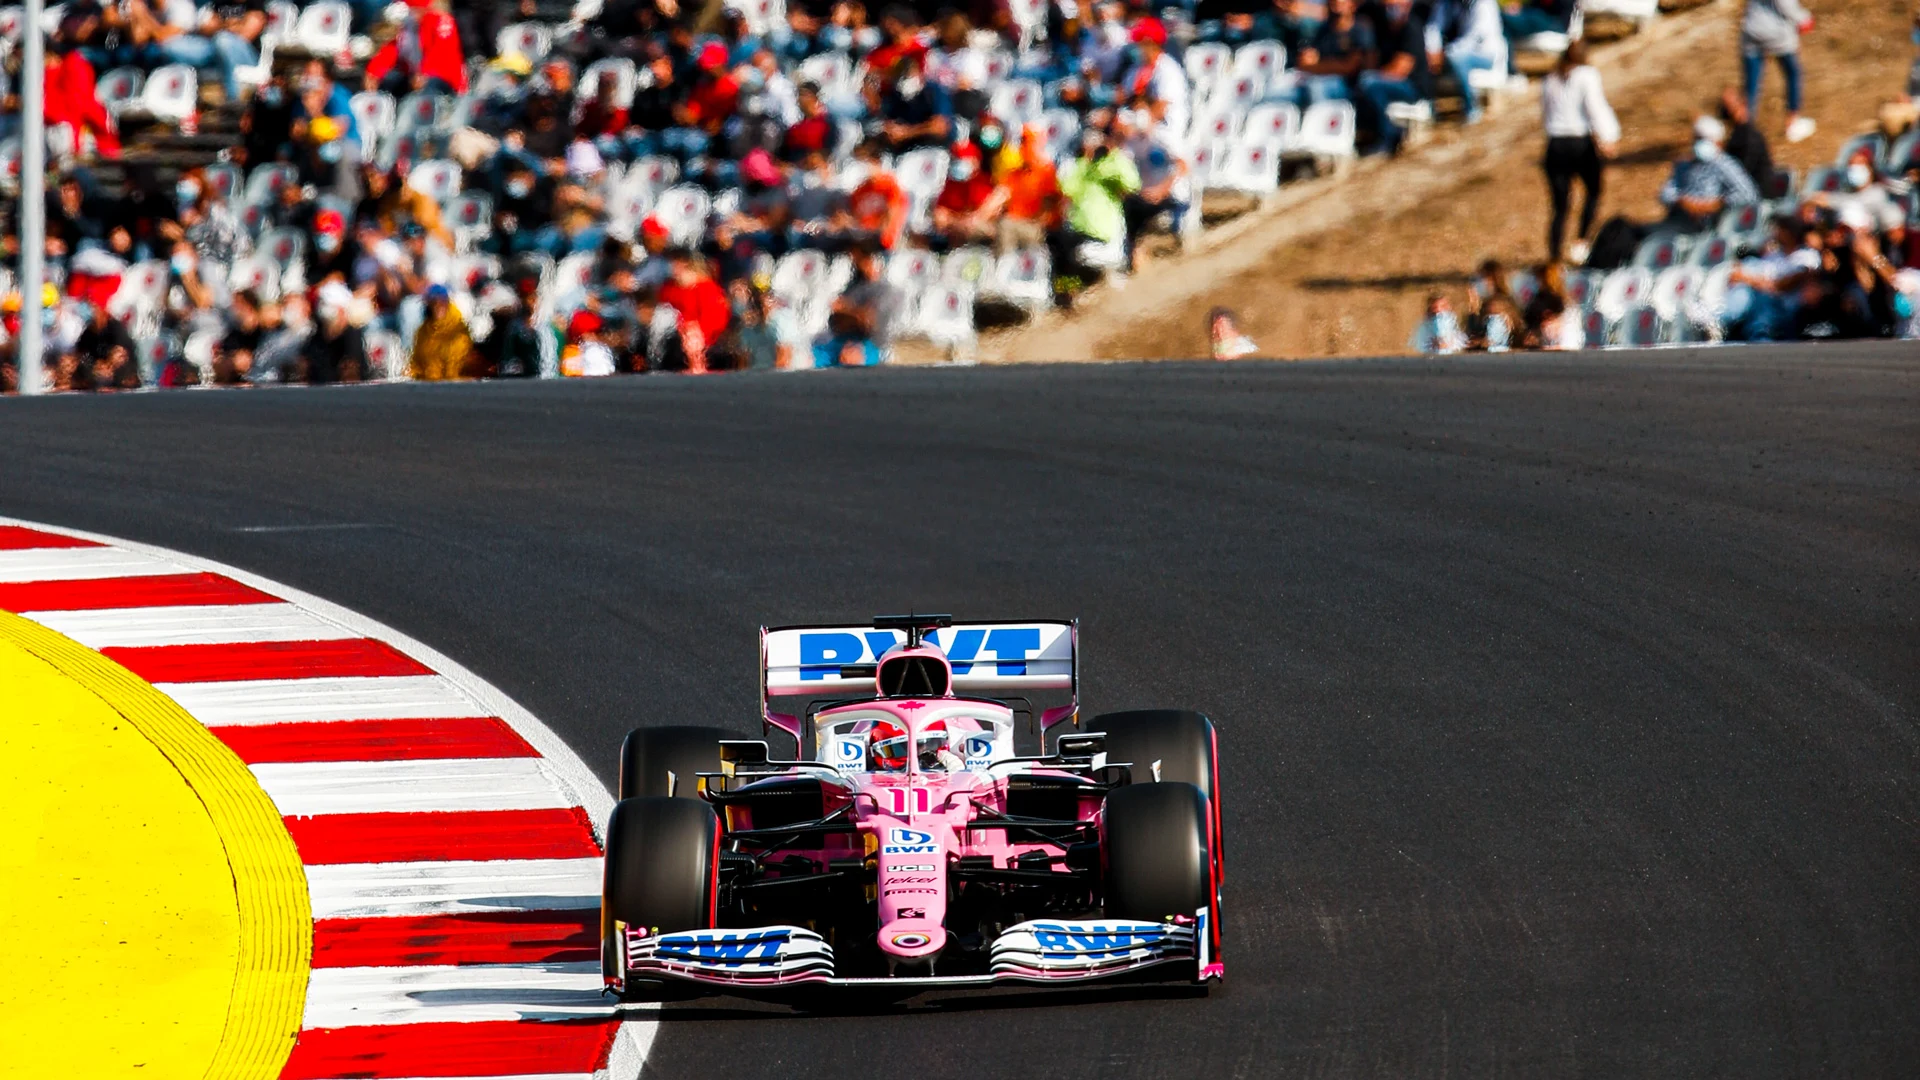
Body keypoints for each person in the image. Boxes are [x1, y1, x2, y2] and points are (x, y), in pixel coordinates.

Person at [1539, 40, 1618, 264]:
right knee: (1593, 191)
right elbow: (1595, 107)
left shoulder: (1550, 78)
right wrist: (1607, 137)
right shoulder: (1586, 75)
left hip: (1555, 144)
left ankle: (1554, 257)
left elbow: (1545, 112)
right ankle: (1581, 242)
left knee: (1560, 206)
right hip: (1579, 142)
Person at [1657, 116, 1759, 232]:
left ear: (1718, 143)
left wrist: (1713, 204)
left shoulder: (1724, 164)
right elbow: (1665, 193)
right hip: (1682, 219)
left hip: (1711, 225)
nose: (1700, 143)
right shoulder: (1684, 165)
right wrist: (1681, 202)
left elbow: (1748, 194)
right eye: (1697, 139)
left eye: (1704, 139)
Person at [1357, 0, 1432, 155]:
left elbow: (1400, 70)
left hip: (1414, 88)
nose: (1391, 9)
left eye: (1394, 6)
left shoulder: (1412, 27)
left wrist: (1374, 75)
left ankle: (1388, 137)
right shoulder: (1384, 29)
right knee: (1365, 85)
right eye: (1388, 6)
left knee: (1369, 83)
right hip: (1392, 83)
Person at [812, 240, 902, 367]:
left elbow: (869, 321)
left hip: (873, 344)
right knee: (816, 353)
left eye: (861, 259)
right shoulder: (855, 288)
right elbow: (837, 320)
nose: (857, 264)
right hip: (845, 338)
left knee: (851, 357)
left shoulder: (887, 290)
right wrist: (851, 312)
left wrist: (847, 309)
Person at [1741, 0, 1815, 143]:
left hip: (1752, 27)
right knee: (1793, 72)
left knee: (1751, 84)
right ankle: (1792, 123)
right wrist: (1804, 19)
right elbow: (1785, 3)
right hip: (1776, 31)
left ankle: (1744, 130)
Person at [1291, 0, 1375, 108]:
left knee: (1316, 87)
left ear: (1352, 5)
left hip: (1350, 86)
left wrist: (1316, 67)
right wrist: (1327, 66)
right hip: (1317, 78)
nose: (1337, 4)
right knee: (1286, 91)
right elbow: (1304, 62)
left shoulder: (1361, 29)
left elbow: (1350, 67)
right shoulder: (1323, 29)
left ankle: (1320, 123)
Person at [1435, 0, 1507, 125]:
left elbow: (1475, 36)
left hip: (1486, 56)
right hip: (1459, 51)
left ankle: (1471, 106)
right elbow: (1433, 27)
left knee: (1456, 58)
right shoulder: (1448, 4)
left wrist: (1446, 52)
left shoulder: (1484, 3)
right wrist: (1433, 49)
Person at [409, 284, 472, 380]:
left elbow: (457, 364)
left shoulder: (458, 329)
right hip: (428, 386)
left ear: (447, 302)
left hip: (456, 385)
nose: (437, 306)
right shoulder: (423, 332)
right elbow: (416, 364)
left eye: (441, 301)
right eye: (433, 302)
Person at [1718, 86, 1774, 191]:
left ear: (1743, 104)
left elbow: (1742, 171)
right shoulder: (1738, 134)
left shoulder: (1748, 137)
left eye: (1730, 107)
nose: (1726, 112)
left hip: (1753, 192)